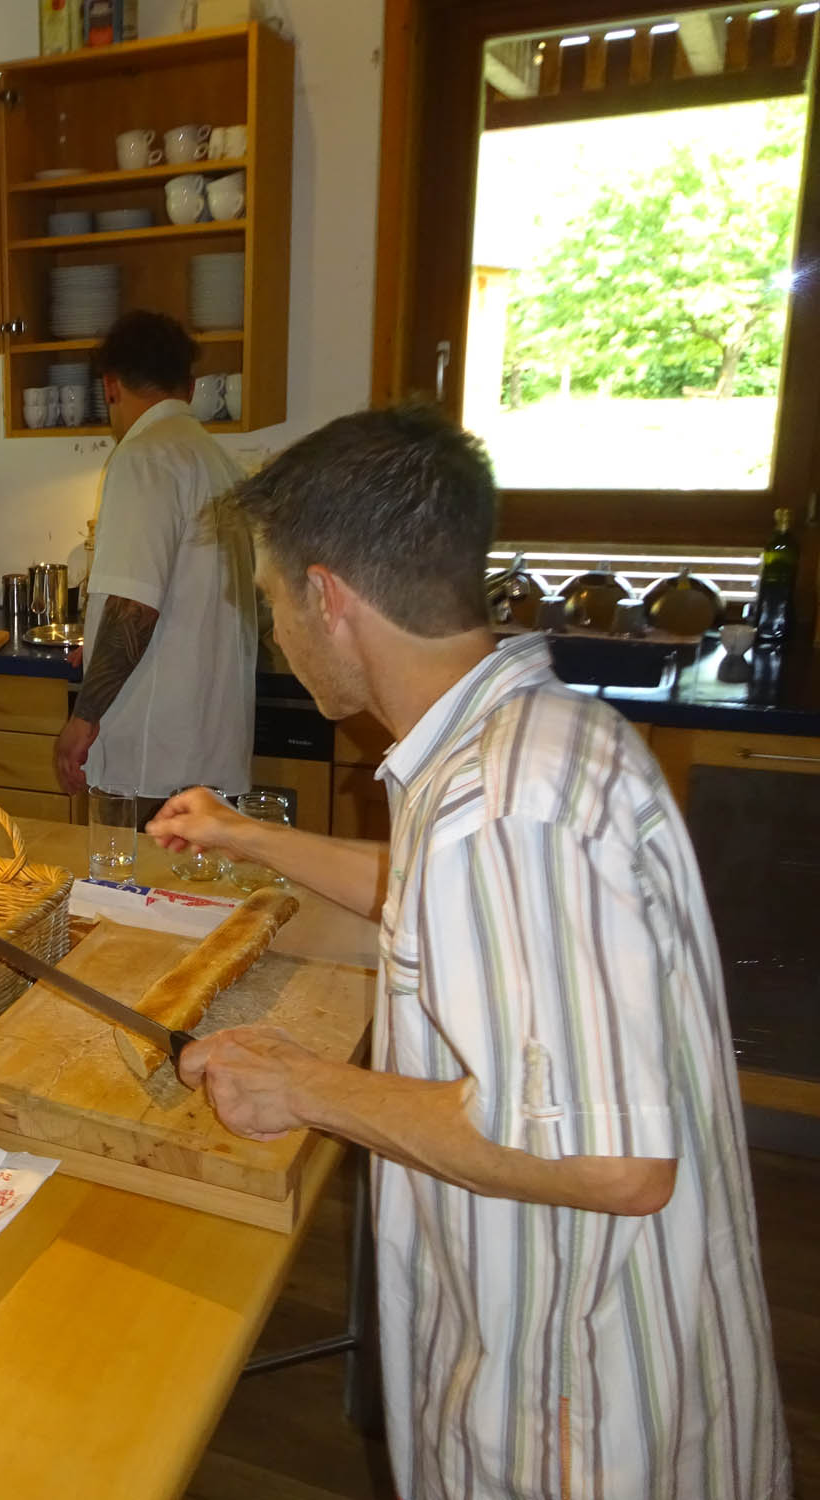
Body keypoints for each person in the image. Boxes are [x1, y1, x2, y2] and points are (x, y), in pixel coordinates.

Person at [148, 406, 789, 1500]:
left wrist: (305, 1085)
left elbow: (611, 1161)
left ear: (328, 598)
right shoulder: (532, 740)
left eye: (270, 601)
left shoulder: (504, 806)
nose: (275, 632)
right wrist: (246, 837)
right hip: (593, 1360)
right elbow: (441, 896)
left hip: (572, 1412)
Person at [53, 311, 255, 820]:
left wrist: (83, 719)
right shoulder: (219, 463)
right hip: (213, 752)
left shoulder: (142, 458)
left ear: (111, 386)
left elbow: (134, 607)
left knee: (128, 876)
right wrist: (98, 640)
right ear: (190, 387)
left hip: (150, 763)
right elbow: (190, 598)